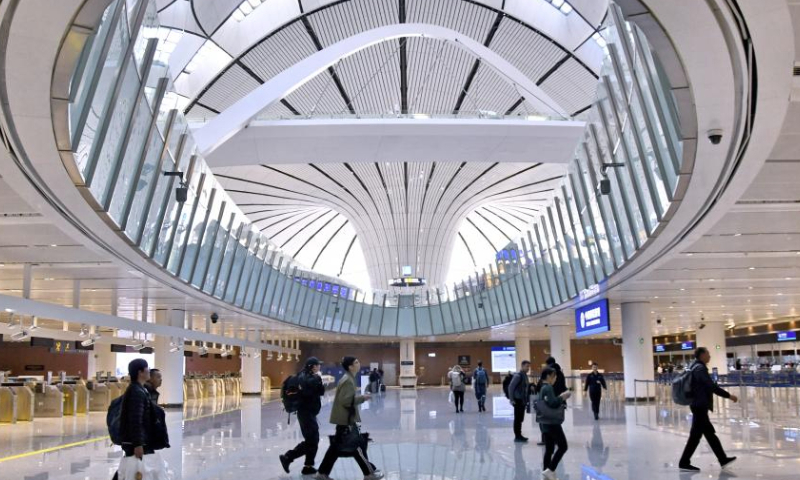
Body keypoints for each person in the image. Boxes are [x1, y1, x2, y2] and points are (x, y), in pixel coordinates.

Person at [316, 356, 383, 480]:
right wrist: (363, 398)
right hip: (346, 419)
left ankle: (322, 473)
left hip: (345, 419)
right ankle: (369, 474)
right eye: (356, 362)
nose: (359, 363)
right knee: (356, 446)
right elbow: (346, 401)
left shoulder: (348, 378)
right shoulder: (348, 380)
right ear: (350, 366)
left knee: (337, 448)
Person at [678, 347, 739, 472]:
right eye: (708, 354)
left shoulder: (695, 366)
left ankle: (722, 459)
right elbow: (711, 386)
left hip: (697, 404)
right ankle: (684, 462)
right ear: (702, 355)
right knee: (697, 436)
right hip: (699, 405)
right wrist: (729, 396)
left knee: (708, 434)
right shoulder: (700, 369)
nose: (709, 356)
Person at [280, 357, 326, 476]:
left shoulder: (298, 377)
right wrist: (319, 382)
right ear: (313, 366)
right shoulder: (314, 378)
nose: (319, 367)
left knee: (312, 439)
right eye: (318, 365)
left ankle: (308, 466)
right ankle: (288, 457)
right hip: (308, 413)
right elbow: (321, 391)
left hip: (303, 412)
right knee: (313, 439)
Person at [538, 367, 570, 480]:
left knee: (549, 449)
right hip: (552, 423)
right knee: (563, 446)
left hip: (544, 422)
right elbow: (552, 403)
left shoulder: (542, 388)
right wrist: (562, 397)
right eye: (553, 376)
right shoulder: (548, 388)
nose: (555, 378)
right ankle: (550, 469)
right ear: (548, 376)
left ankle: (546, 471)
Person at [119, 359, 154, 460]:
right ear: (140, 372)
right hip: (135, 442)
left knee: (133, 471)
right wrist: (138, 444)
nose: (149, 371)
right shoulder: (136, 392)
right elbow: (135, 420)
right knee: (135, 472)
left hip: (138, 440)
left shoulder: (139, 389)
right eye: (147, 368)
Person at [508, 360, 531, 442]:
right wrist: (511, 399)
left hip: (522, 400)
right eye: (526, 366)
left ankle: (519, 435)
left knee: (520, 418)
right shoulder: (518, 376)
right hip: (517, 400)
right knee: (517, 419)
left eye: (529, 366)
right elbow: (511, 387)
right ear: (522, 366)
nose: (528, 368)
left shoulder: (524, 375)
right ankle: (517, 436)